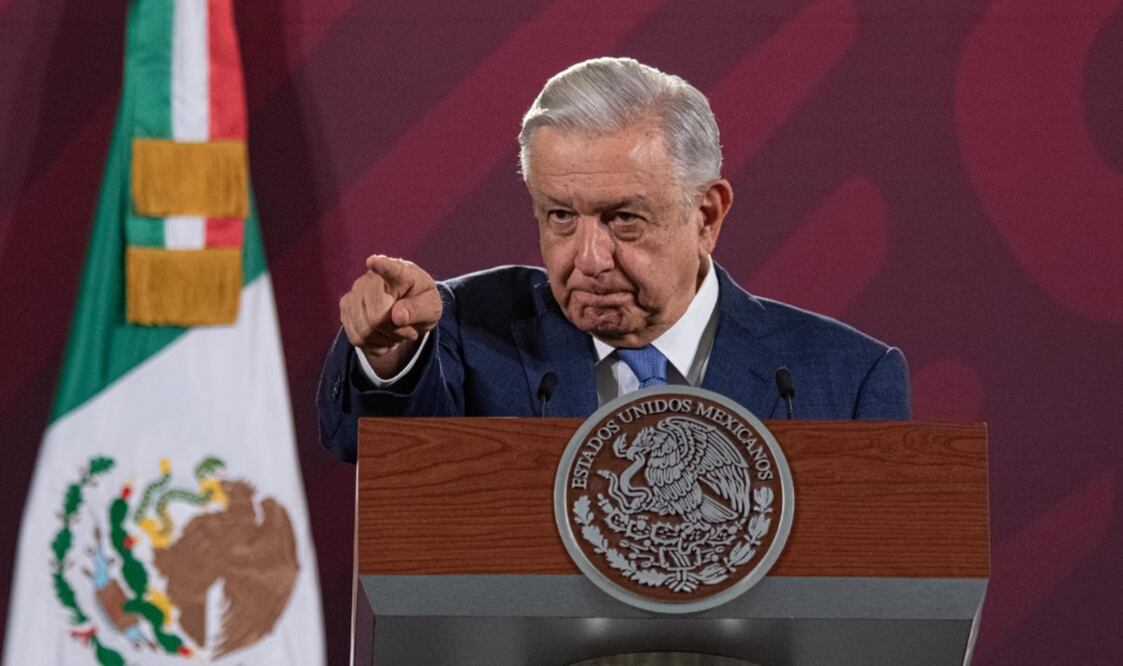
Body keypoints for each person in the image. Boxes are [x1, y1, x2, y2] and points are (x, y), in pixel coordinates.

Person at [318, 57, 910, 463]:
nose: (589, 258)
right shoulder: (462, 332)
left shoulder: (848, 381)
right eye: (561, 217)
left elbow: (887, 593)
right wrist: (390, 357)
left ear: (706, 215)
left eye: (623, 218)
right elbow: (369, 447)